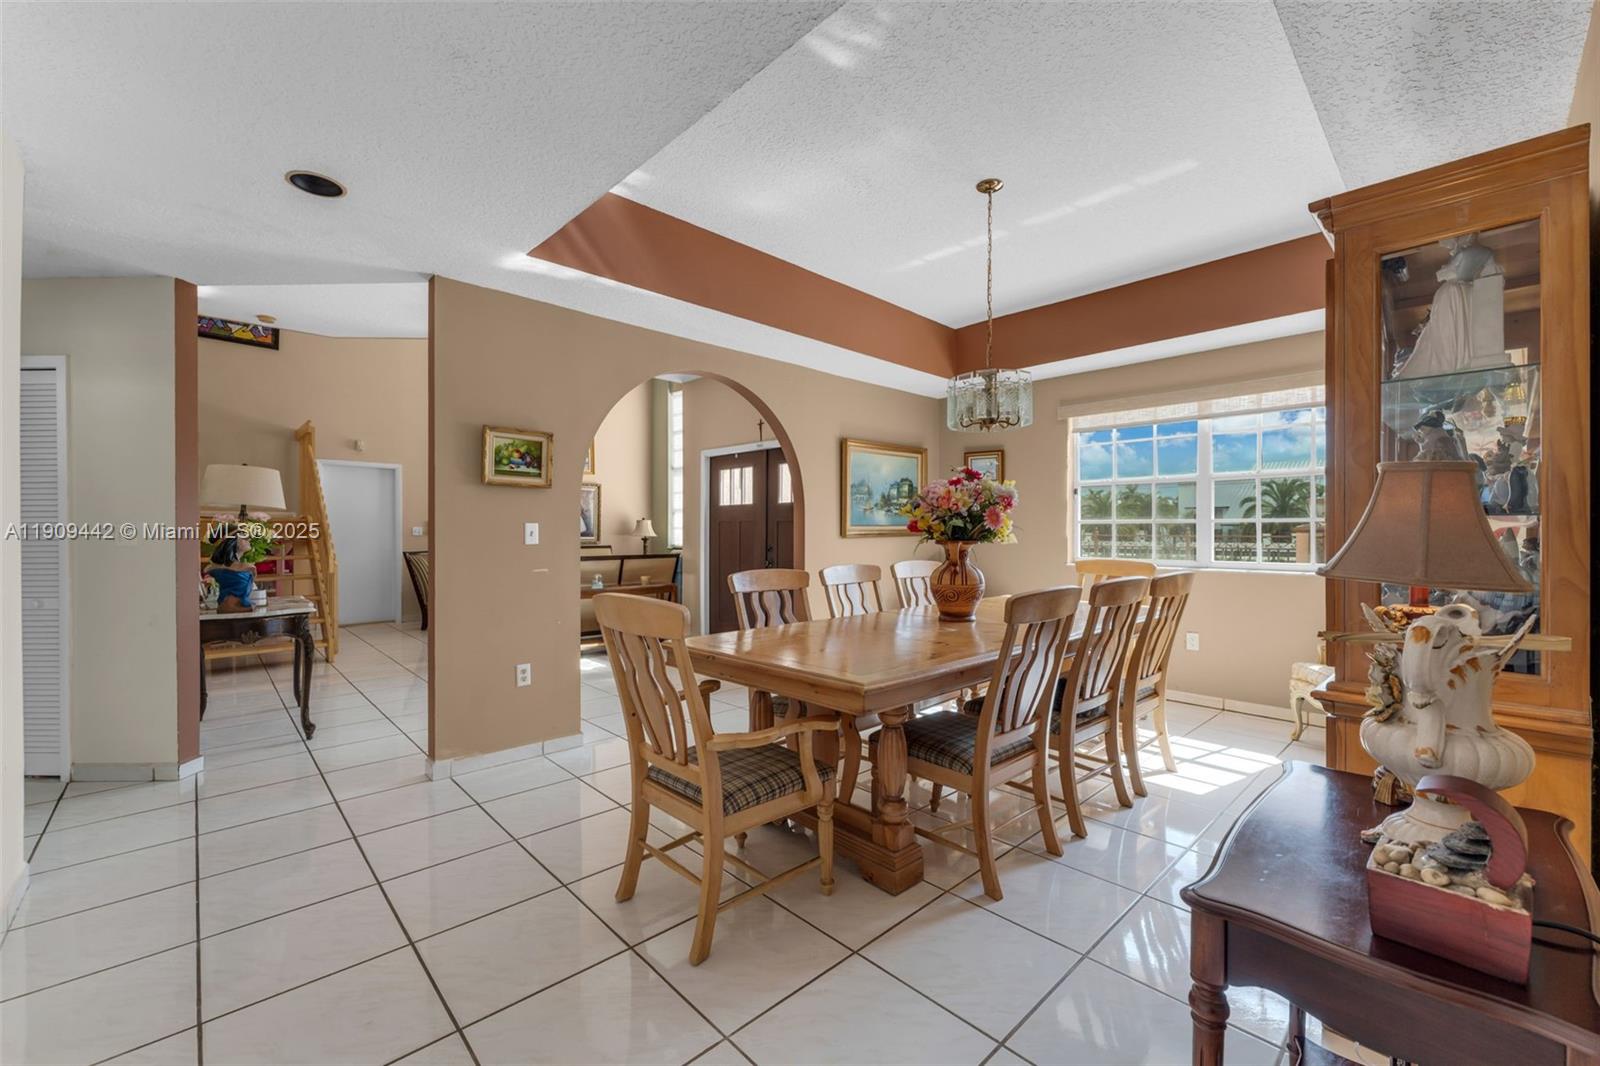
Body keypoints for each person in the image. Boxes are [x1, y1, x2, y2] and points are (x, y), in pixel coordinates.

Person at [207, 525, 257, 613]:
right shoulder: (247, 568)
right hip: (231, 609)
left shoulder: (247, 567)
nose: (249, 540)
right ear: (232, 541)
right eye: (244, 537)